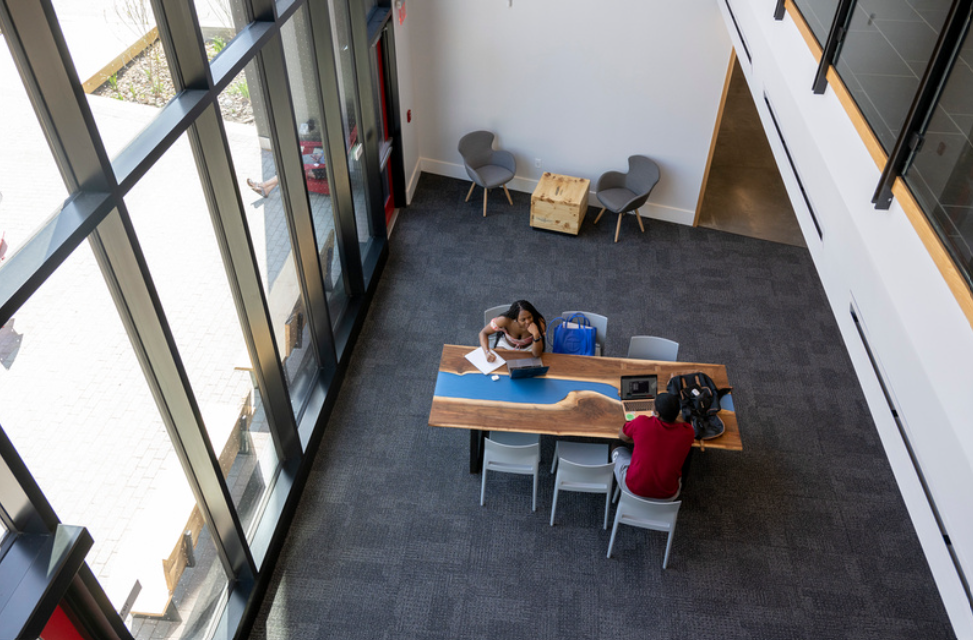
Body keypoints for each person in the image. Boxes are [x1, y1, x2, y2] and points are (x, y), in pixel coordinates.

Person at [611, 392, 694, 500]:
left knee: (616, 445)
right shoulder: (688, 432)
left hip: (633, 488)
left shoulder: (641, 422)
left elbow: (622, 436)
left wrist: (639, 439)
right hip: (668, 495)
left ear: (657, 414)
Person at [478, 300, 546, 362]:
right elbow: (483, 333)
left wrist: (536, 334)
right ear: (515, 319)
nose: (528, 321)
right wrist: (487, 352)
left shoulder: (539, 323)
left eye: (530, 317)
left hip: (530, 348)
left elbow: (537, 354)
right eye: (523, 319)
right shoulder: (504, 320)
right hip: (506, 346)